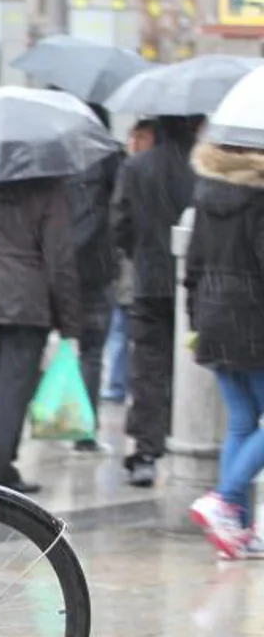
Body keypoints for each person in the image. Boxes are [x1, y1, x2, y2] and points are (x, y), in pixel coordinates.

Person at [0, 175, 83, 494]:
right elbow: (60, 258)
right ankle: (0, 471)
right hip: (24, 301)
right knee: (14, 389)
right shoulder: (49, 190)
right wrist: (70, 322)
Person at [185, 138, 264, 559]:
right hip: (254, 321)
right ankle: (225, 499)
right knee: (249, 422)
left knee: (242, 422)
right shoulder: (259, 198)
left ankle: (237, 532)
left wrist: (196, 321)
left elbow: (193, 266)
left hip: (214, 317)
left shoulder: (206, 195)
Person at [112, 115, 201, 487]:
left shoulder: (136, 166)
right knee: (193, 364)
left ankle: (146, 451)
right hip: (193, 281)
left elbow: (119, 221)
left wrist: (140, 251)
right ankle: (187, 437)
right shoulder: (202, 167)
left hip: (149, 279)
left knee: (148, 365)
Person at [63, 103, 124, 452]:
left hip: (54, 264)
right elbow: (119, 208)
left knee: (36, 346)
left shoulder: (56, 154)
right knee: (91, 351)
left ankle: (32, 418)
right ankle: (83, 434)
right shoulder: (110, 156)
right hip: (95, 267)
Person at [103, 119, 157, 404]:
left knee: (128, 329)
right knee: (121, 327)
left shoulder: (137, 170)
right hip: (129, 264)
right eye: (132, 137)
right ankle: (116, 384)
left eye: (142, 137)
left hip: (139, 264)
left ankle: (121, 385)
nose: (135, 143)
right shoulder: (127, 168)